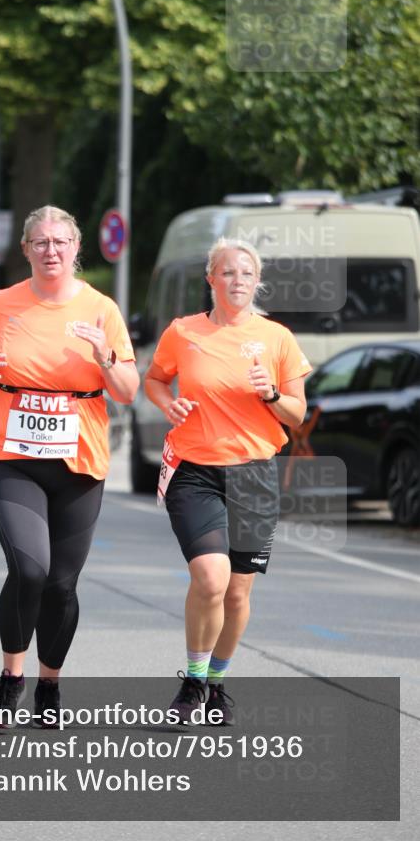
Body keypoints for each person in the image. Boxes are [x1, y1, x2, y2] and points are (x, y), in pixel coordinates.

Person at [0, 205, 138, 724]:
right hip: (13, 453)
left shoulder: (101, 308)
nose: (51, 251)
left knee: (62, 583)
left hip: (79, 458)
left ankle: (49, 686)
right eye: (40, 242)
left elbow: (128, 391)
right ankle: (10, 679)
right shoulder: (2, 304)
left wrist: (106, 357)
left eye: (60, 242)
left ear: (75, 247)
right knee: (29, 568)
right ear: (26, 249)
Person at [145, 237, 311, 723]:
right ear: (211, 280)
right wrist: (165, 403)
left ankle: (217, 681)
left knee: (238, 591)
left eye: (246, 273)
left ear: (256, 282)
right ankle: (193, 681)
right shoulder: (183, 332)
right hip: (194, 471)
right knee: (210, 578)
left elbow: (296, 415)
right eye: (227, 272)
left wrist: (272, 393)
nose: (237, 280)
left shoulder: (277, 338)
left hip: (255, 474)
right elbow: (156, 379)